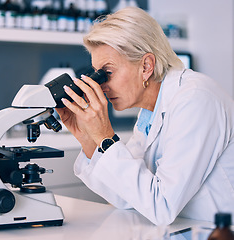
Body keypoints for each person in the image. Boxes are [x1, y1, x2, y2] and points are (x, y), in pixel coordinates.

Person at [56, 7, 234, 226]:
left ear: (146, 66)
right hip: (184, 230)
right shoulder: (150, 111)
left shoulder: (196, 99)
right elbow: (127, 197)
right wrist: (87, 137)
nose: (100, 85)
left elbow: (162, 206)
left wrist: (105, 136)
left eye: (107, 73)